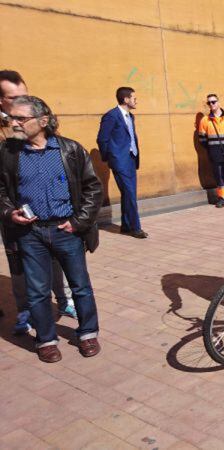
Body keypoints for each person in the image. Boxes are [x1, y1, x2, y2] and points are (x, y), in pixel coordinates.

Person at [0, 96, 103, 363]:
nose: (14, 123)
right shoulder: (8, 153)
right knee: (37, 291)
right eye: (11, 118)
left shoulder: (69, 150)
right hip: (29, 234)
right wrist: (10, 212)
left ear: (43, 121)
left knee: (80, 286)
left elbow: (93, 187)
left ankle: (88, 333)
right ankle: (46, 339)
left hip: (66, 229)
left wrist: (79, 221)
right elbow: (0, 191)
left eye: (21, 118)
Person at [0, 70, 76, 334]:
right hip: (12, 214)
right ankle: (25, 312)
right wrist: (9, 211)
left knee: (56, 258)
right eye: (13, 98)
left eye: (24, 94)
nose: (21, 100)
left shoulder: (32, 119)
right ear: (1, 101)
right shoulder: (5, 132)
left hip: (45, 213)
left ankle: (64, 301)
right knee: (19, 266)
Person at [97, 87, 147, 238]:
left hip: (131, 159)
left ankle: (126, 225)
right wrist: (111, 157)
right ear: (126, 99)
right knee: (130, 194)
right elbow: (102, 139)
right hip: (119, 160)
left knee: (128, 194)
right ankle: (135, 228)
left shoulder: (130, 116)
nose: (136, 101)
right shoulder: (111, 116)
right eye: (134, 98)